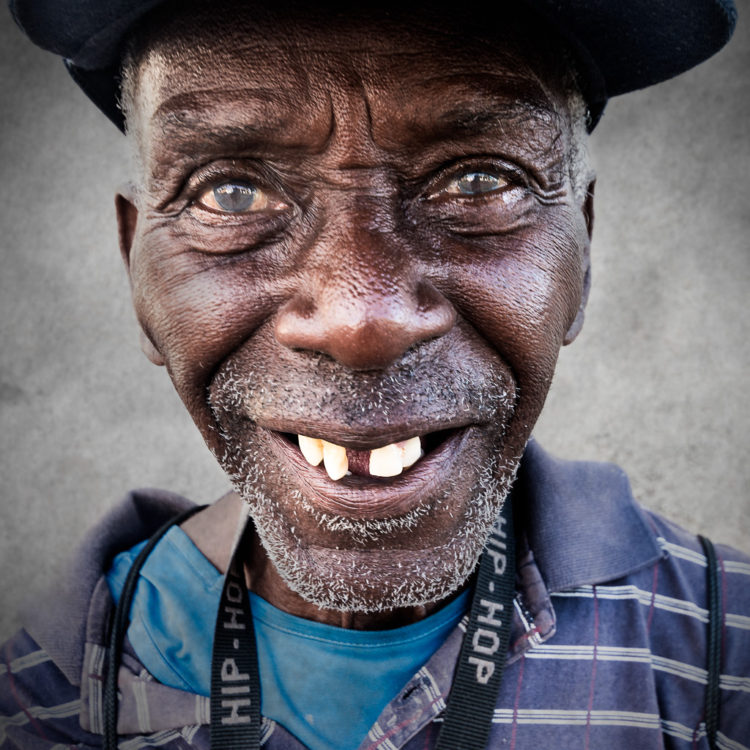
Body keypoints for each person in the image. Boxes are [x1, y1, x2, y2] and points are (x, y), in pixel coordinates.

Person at [1, 0, 748, 748]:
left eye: (481, 183)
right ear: (139, 273)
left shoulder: (726, 657)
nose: (364, 320)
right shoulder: (49, 694)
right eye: (230, 193)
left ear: (581, 256)